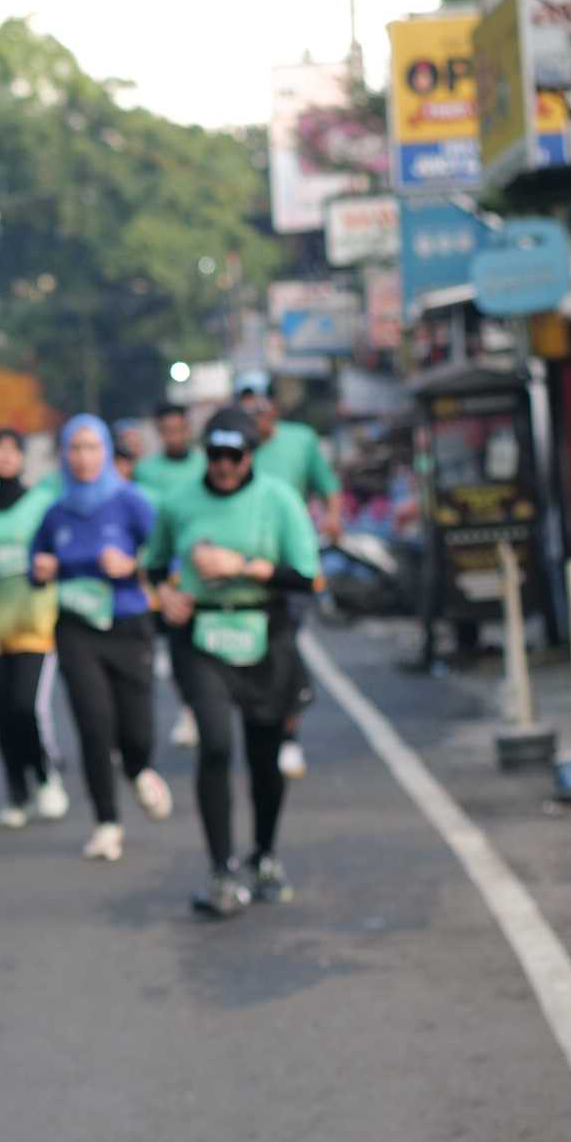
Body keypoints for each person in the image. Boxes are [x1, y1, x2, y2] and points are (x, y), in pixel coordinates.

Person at [147, 402, 325, 917]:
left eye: (234, 455)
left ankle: (263, 855)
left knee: (264, 754)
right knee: (216, 744)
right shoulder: (178, 501)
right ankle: (221, 870)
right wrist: (166, 595)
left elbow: (308, 576)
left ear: (250, 456)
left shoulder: (278, 499)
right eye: (215, 454)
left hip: (263, 633)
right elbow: (153, 565)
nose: (224, 465)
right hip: (201, 636)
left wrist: (243, 567)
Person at [27, 414, 170, 864]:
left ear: (106, 452)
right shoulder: (56, 511)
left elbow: (167, 555)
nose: (83, 458)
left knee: (136, 728)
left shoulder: (131, 502)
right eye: (75, 448)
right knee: (93, 725)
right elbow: (35, 563)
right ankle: (106, 823)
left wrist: (132, 566)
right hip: (76, 629)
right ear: (63, 456)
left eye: (92, 448)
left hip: (128, 625)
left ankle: (138, 768)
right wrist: (41, 570)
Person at [236, 374, 342, 781]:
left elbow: (328, 486)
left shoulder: (300, 440)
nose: (254, 415)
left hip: (290, 568)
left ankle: (288, 733)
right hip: (242, 571)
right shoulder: (233, 449)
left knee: (284, 647)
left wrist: (333, 517)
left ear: (274, 408)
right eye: (246, 407)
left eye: (260, 406)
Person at [0, 426, 70, 827]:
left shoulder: (41, 503)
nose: (4, 457)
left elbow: (62, 547)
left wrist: (53, 564)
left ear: (22, 458)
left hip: (36, 623)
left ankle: (46, 776)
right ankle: (16, 794)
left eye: (11, 450)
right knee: (2, 715)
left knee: (25, 705)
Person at [134, 404, 206, 750]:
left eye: (179, 429)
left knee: (196, 643)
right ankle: (187, 708)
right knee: (170, 648)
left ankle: (201, 706)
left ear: (188, 429)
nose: (174, 436)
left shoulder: (206, 465)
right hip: (159, 571)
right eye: (167, 431)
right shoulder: (145, 472)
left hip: (197, 571)